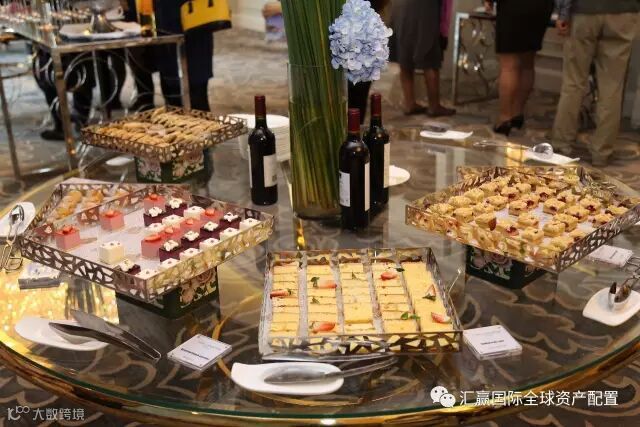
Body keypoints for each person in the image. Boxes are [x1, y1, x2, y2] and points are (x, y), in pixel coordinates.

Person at [551, 0, 639, 166]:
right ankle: (601, 152)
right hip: (625, 11)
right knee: (612, 86)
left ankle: (561, 144)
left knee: (573, 82)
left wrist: (562, 13)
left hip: (584, 10)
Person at [485, 0, 554, 136]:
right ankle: (517, 113)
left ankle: (505, 118)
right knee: (528, 63)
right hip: (541, 7)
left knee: (509, 65)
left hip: (513, 6)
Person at [391, 0, 455, 117]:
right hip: (425, 7)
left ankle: (409, 103)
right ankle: (434, 106)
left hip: (400, 6)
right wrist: (444, 31)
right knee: (429, 54)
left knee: (404, 52)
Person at [154, 0, 216, 111]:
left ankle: (198, 116)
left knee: (197, 89)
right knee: (172, 86)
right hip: (167, 19)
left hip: (196, 16)